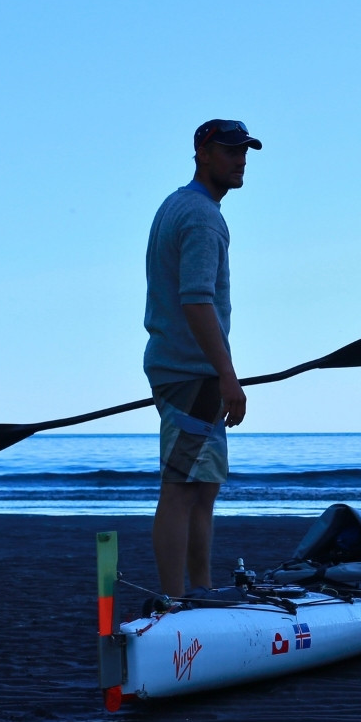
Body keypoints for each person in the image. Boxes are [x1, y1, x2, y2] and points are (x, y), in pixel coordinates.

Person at [144, 119, 261, 597]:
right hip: (190, 372)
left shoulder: (182, 206)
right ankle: (177, 601)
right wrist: (228, 375)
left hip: (192, 371)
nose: (241, 159)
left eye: (245, 150)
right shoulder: (200, 216)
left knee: (202, 488)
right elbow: (196, 300)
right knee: (182, 489)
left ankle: (201, 592)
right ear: (203, 153)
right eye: (230, 150)